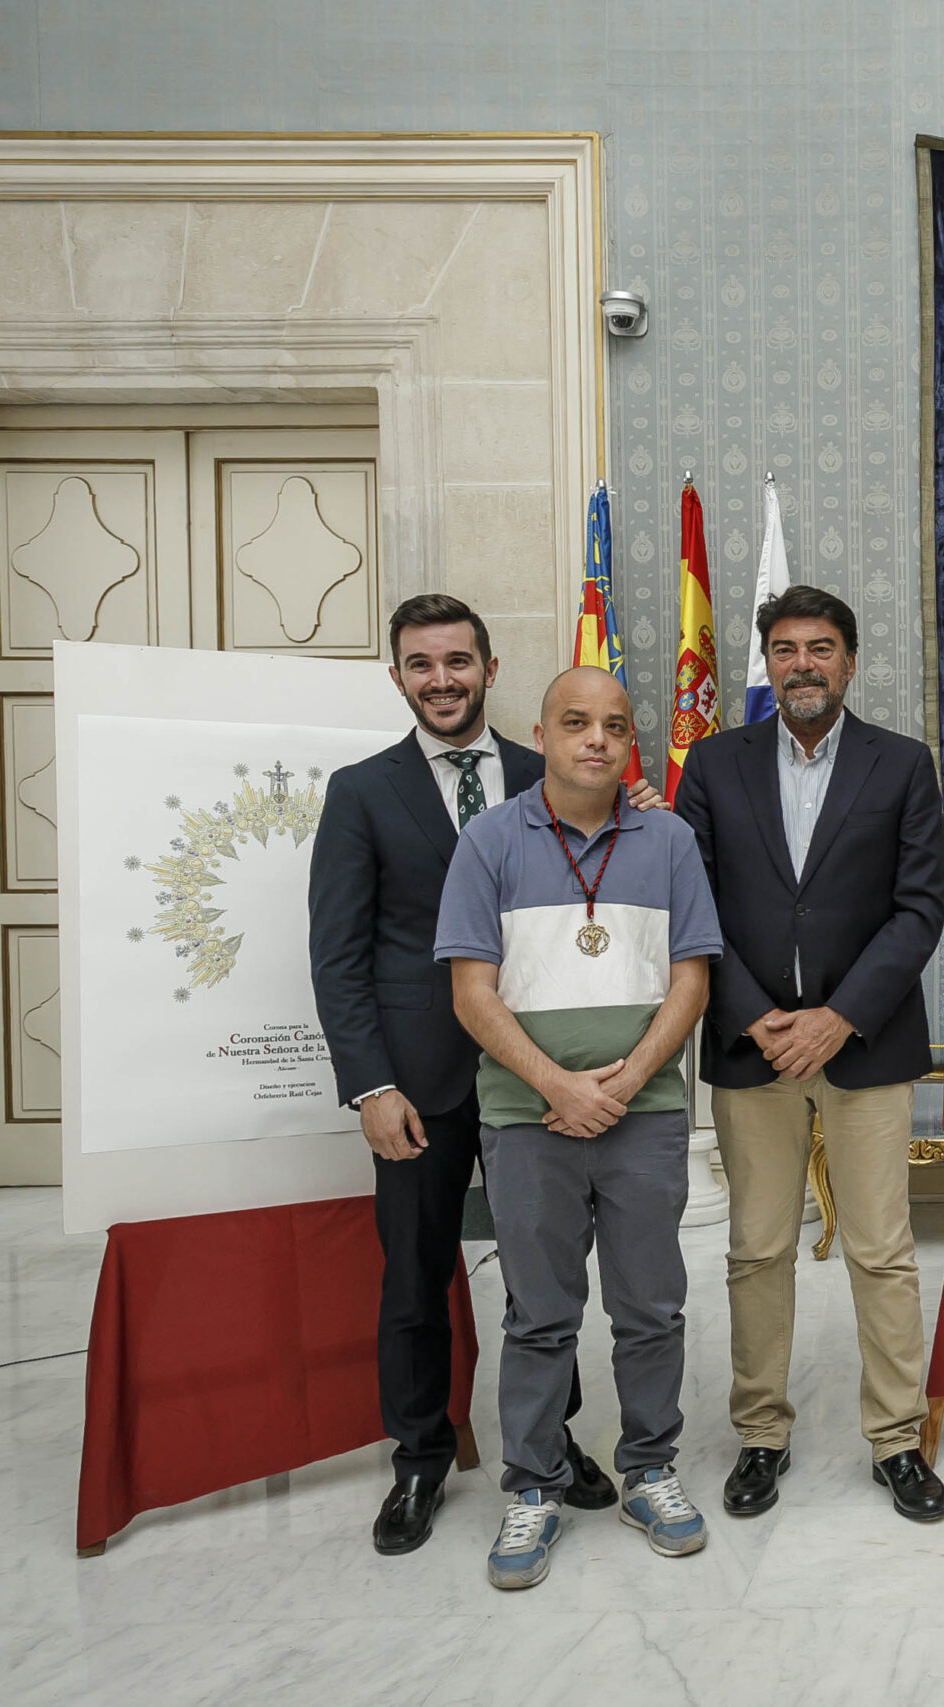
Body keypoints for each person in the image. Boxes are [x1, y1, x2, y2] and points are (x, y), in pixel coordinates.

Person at [309, 595, 652, 1555]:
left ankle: (552, 1440)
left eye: (458, 661)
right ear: (397, 677)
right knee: (417, 1274)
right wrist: (371, 1086)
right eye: (422, 665)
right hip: (419, 1085)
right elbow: (338, 955)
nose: (442, 680)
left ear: (490, 670)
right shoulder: (361, 792)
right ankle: (420, 1457)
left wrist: (646, 815)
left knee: (545, 1275)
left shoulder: (553, 769)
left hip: (540, 1074)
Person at [436, 667, 723, 1591]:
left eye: (613, 725)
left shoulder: (669, 839)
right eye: (575, 722)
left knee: (651, 1307)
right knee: (537, 1313)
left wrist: (626, 1081)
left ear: (629, 740)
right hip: (527, 1120)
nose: (596, 738)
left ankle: (649, 1470)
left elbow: (691, 980)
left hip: (645, 1117)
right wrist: (558, 1085)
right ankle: (534, 1484)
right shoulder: (488, 840)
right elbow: (471, 992)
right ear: (542, 735)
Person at [672, 585, 944, 1523]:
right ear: (768, 664)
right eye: (786, 649)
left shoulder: (902, 763)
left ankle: (897, 1438)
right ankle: (761, 1433)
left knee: (882, 1249)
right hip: (751, 1046)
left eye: (821, 648)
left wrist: (840, 1015)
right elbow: (691, 903)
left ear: (850, 662)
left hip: (865, 1042)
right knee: (756, 1248)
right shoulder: (714, 764)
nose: (803, 664)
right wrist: (755, 1015)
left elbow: (919, 908)